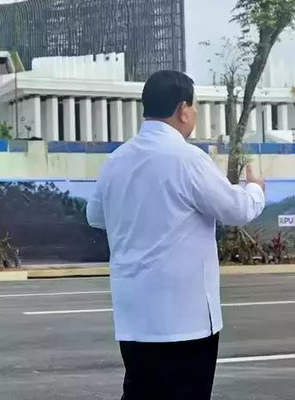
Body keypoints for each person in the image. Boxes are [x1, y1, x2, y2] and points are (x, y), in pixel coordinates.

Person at [86, 70, 266, 400]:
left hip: (134, 317)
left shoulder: (116, 161)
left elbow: (95, 216)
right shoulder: (187, 158)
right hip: (184, 319)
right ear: (183, 109)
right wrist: (254, 188)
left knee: (140, 392)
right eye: (194, 107)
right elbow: (236, 209)